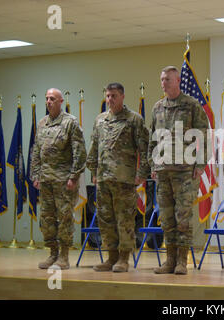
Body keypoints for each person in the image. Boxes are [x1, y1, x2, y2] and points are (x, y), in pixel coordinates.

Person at [148, 66, 208, 275]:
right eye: (162, 79)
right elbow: (153, 138)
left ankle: (182, 260)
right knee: (166, 218)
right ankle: (169, 260)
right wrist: (152, 163)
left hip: (185, 172)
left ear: (178, 80)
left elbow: (204, 136)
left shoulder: (191, 105)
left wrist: (200, 165)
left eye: (168, 79)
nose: (164, 83)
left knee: (182, 217)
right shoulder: (157, 107)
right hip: (163, 171)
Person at [87, 82, 150, 273]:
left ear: (122, 97)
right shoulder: (100, 120)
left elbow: (145, 149)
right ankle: (111, 257)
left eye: (114, 96)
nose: (110, 100)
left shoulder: (133, 120)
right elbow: (94, 147)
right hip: (103, 180)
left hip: (125, 180)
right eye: (107, 96)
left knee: (125, 220)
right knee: (106, 220)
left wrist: (141, 174)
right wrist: (94, 172)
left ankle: (124, 258)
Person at [31, 88, 86, 270]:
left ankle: (63, 256)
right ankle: (52, 253)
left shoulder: (70, 122)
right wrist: (35, 175)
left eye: (52, 98)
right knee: (46, 219)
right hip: (45, 180)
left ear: (61, 101)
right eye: (46, 98)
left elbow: (79, 152)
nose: (48, 102)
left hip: (64, 181)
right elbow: (36, 152)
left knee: (64, 219)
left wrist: (74, 176)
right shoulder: (42, 123)